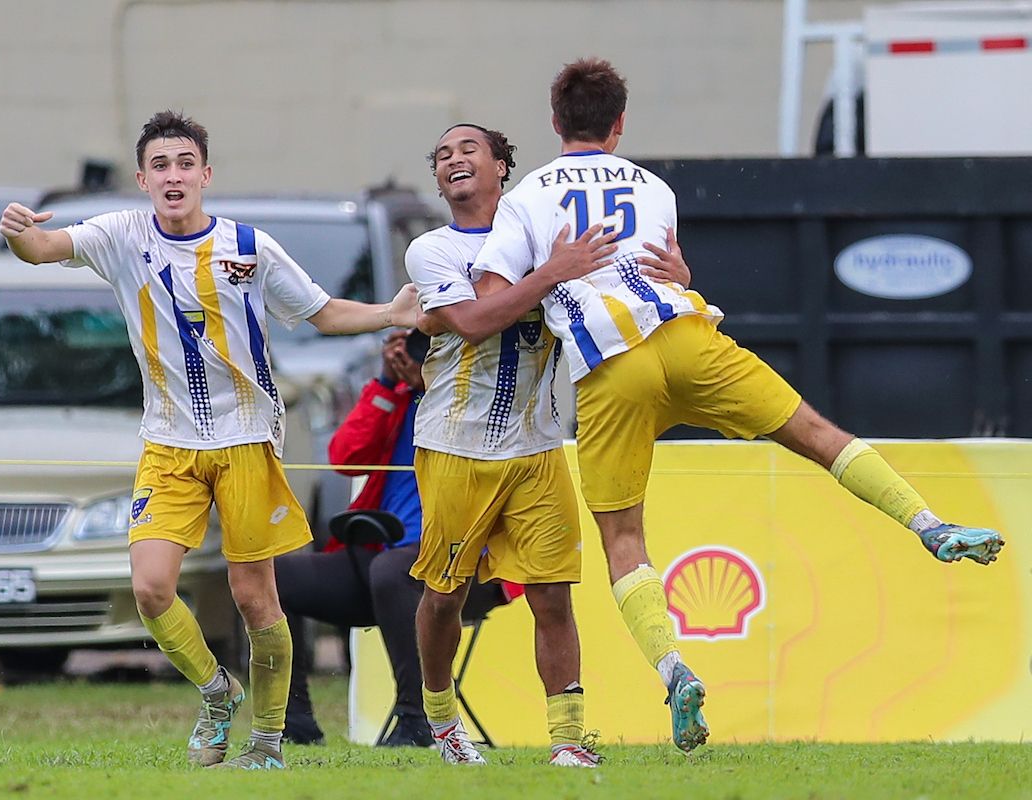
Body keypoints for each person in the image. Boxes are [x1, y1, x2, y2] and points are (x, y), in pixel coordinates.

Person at [466, 58, 1006, 754]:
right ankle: (928, 524)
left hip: (610, 366)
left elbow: (485, 301)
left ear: (554, 122)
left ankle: (674, 668)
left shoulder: (531, 195)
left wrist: (551, 274)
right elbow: (667, 266)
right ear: (620, 123)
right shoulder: (653, 187)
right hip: (690, 336)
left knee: (625, 541)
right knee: (815, 431)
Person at [0, 110, 417, 770]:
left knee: (257, 597)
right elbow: (44, 250)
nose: (173, 176)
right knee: (151, 589)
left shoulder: (249, 246)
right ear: (142, 178)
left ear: (205, 175)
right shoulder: (120, 235)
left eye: (184, 164)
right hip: (168, 446)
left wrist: (392, 312)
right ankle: (217, 693)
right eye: (160, 165)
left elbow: (322, 311)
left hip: (248, 440)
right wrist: (21, 235)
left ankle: (269, 739)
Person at [405, 123, 691, 767]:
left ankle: (567, 739)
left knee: (554, 594)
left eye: (467, 150)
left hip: (537, 449)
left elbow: (630, 300)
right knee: (445, 595)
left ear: (503, 167)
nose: (453, 159)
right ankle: (442, 717)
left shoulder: (543, 232)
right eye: (441, 153)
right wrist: (554, 273)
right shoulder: (432, 249)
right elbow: (478, 323)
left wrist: (678, 274)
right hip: (457, 446)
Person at [274, 329, 509, 748]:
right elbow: (345, 459)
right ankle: (294, 724)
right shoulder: (398, 397)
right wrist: (386, 384)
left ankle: (418, 717)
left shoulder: (480, 393)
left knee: (391, 571)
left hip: (468, 564)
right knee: (274, 577)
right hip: (386, 563)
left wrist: (437, 384)